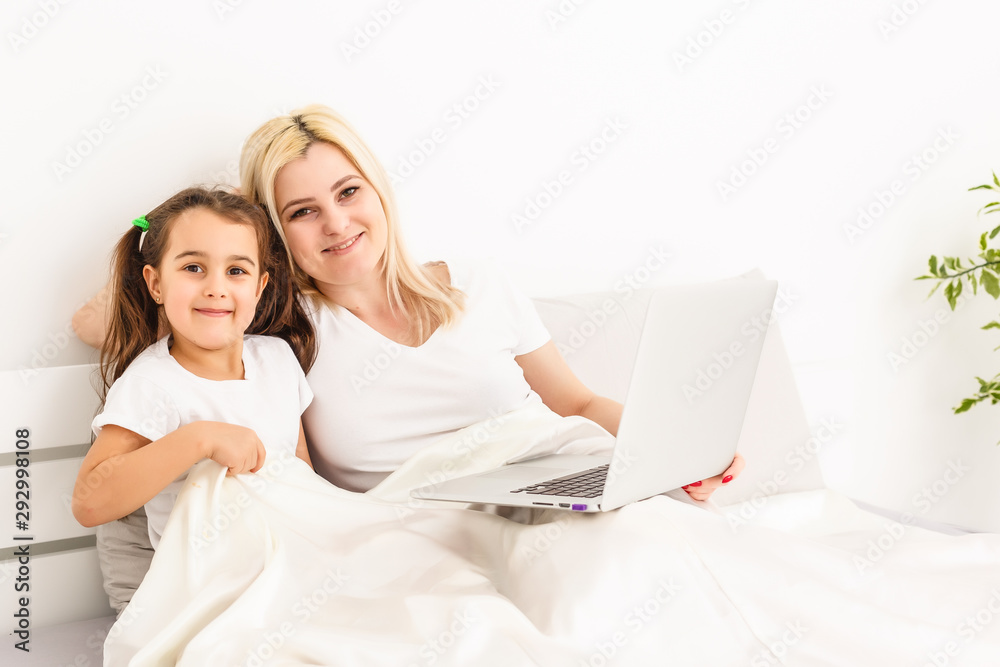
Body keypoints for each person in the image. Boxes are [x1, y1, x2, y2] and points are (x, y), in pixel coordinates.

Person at [73, 105, 742, 501]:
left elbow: (580, 404)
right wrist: (232, 226)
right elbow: (95, 321)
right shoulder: (279, 328)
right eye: (302, 211)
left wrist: (674, 451)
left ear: (378, 190)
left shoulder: (478, 282)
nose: (337, 223)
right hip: (426, 533)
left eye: (348, 192)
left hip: (562, 482)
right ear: (276, 233)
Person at [71, 187, 316, 549]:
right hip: (209, 576)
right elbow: (88, 503)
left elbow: (304, 476)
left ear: (259, 287)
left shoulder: (278, 359)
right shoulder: (151, 383)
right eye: (193, 268)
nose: (216, 288)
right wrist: (200, 439)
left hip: (289, 557)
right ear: (156, 284)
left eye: (236, 270)